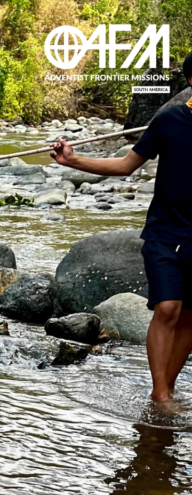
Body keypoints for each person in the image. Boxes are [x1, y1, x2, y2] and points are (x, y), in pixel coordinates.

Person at [49, 52, 192, 403]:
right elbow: (127, 164)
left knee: (190, 317)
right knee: (168, 308)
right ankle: (160, 396)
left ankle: (165, 389)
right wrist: (72, 159)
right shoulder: (169, 119)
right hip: (165, 233)